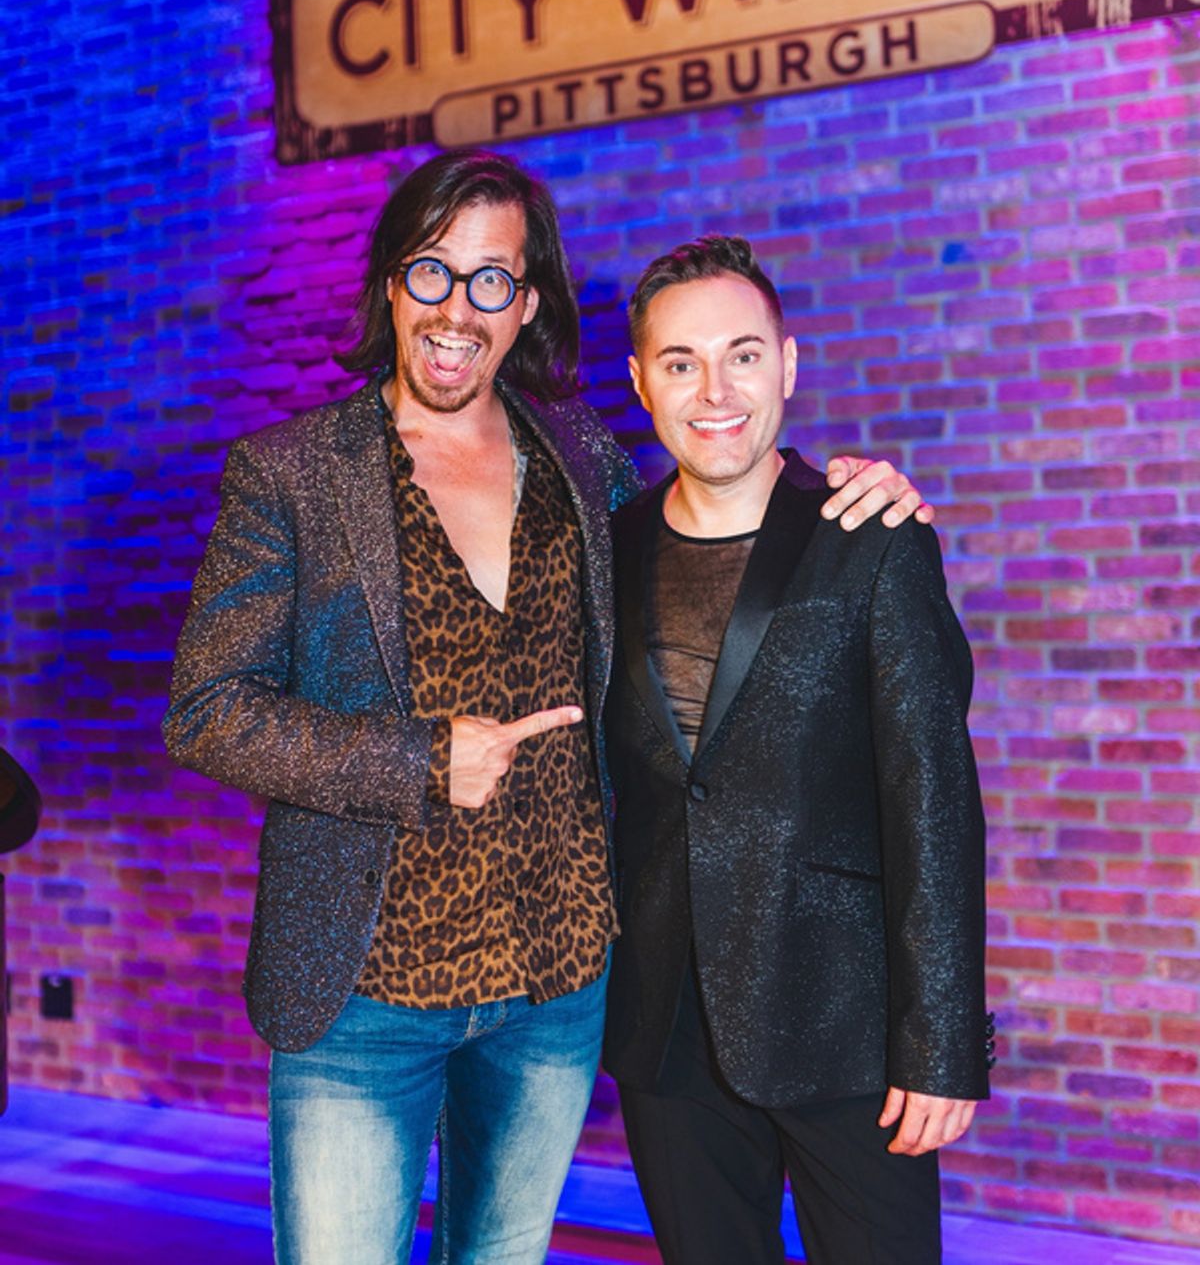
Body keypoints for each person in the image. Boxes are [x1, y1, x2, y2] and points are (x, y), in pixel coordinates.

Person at [162, 151, 931, 1265]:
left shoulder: (584, 461)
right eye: (433, 271)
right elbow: (208, 708)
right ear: (391, 282)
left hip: (556, 986)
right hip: (362, 994)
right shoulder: (292, 474)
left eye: (491, 281)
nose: (456, 308)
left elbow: (717, 516)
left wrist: (854, 493)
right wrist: (418, 759)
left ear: (524, 305)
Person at [603, 235, 992, 1265]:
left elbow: (934, 798)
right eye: (681, 362)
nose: (714, 388)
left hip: (849, 1030)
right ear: (642, 381)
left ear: (788, 362)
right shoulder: (605, 551)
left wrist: (943, 1041)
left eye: (741, 353)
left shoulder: (871, 534)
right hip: (666, 1033)